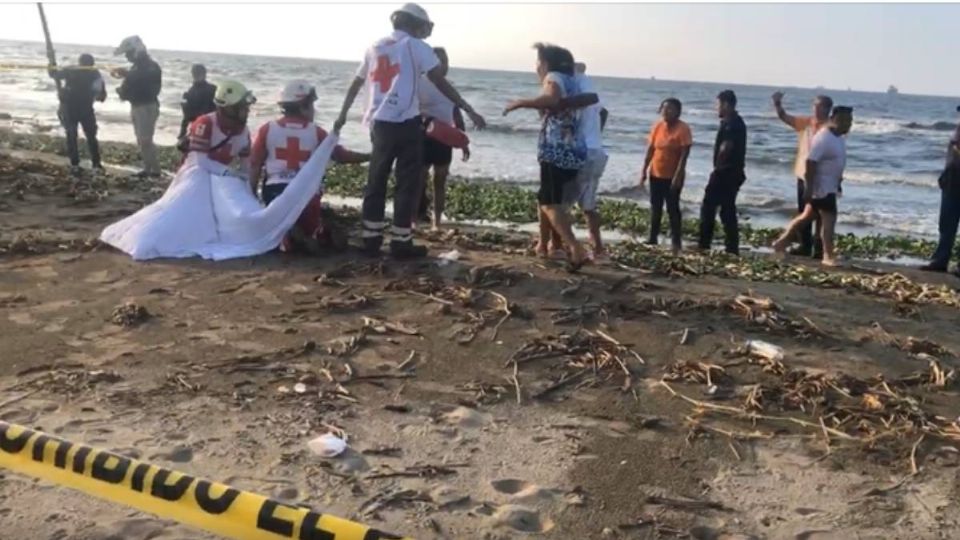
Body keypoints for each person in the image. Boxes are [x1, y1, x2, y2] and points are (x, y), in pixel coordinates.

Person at [100, 80, 340, 261]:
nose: (246, 112)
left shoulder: (243, 131)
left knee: (238, 212)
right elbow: (201, 161)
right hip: (197, 176)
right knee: (176, 219)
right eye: (242, 108)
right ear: (229, 108)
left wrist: (247, 189)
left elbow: (246, 163)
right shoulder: (205, 123)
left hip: (221, 178)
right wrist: (228, 175)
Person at [333, 3, 486, 259]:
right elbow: (439, 80)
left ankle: (371, 237)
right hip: (406, 123)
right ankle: (401, 240)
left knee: (376, 179)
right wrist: (468, 108)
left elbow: (356, 83)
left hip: (379, 124)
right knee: (407, 182)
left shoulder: (375, 47)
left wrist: (342, 115)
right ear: (415, 25)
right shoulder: (416, 47)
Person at [250, 80, 371, 253]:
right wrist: (371, 156)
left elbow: (254, 164)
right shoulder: (316, 132)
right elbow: (341, 156)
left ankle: (287, 237)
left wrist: (252, 195)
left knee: (275, 227)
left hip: (275, 193)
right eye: (312, 105)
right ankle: (316, 233)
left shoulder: (267, 130)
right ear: (303, 106)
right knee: (311, 226)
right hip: (307, 196)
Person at [503, 43, 589, 270]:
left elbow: (551, 98)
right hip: (574, 150)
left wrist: (521, 103)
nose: (536, 67)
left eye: (538, 61)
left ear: (547, 64)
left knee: (550, 203)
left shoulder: (553, 77)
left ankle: (575, 248)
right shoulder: (573, 80)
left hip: (556, 151)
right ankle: (545, 245)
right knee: (548, 199)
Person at [773, 106, 853, 267]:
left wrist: (838, 183)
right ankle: (827, 255)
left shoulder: (838, 138)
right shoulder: (824, 138)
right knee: (829, 219)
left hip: (829, 186)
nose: (848, 124)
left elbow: (836, 163)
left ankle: (781, 242)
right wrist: (809, 188)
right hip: (821, 187)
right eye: (845, 120)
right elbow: (810, 161)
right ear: (834, 119)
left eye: (850, 121)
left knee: (806, 217)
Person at [414, 47, 470, 230]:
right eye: (439, 62)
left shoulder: (449, 86)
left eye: (446, 61)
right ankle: (412, 220)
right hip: (423, 135)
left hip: (444, 137)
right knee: (419, 179)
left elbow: (456, 114)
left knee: (440, 180)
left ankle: (436, 222)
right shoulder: (419, 83)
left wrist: (463, 142)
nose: (444, 65)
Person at [772, 91, 834, 259]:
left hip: (823, 177)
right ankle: (804, 245)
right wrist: (777, 104)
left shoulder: (831, 128)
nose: (816, 109)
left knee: (821, 214)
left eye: (820, 106)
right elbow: (785, 117)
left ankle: (819, 247)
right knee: (803, 211)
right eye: (815, 106)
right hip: (803, 173)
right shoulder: (806, 123)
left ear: (828, 109)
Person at [698, 89, 747, 255]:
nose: (716, 108)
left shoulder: (733, 125)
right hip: (731, 172)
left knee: (709, 208)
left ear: (726, 104)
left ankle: (705, 244)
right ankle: (731, 248)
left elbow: (727, 147)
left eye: (718, 104)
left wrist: (718, 169)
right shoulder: (730, 122)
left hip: (726, 172)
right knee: (727, 210)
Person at [640, 98, 692, 254]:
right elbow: (651, 149)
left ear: (678, 111)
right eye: (664, 108)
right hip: (656, 173)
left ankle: (676, 242)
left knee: (672, 209)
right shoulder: (657, 126)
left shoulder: (683, 128)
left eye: (671, 109)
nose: (666, 111)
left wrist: (678, 175)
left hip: (673, 176)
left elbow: (685, 155)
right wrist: (644, 170)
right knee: (655, 207)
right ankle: (652, 238)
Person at [568, 62, 609, 258]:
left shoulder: (573, 90)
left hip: (581, 152)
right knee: (588, 205)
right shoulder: (588, 87)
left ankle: (563, 245)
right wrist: (596, 135)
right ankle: (598, 247)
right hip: (596, 151)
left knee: (561, 202)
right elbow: (604, 112)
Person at [48, 53, 107, 175]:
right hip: (81, 108)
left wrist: (51, 67)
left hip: (72, 107)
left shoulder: (73, 70)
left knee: (73, 136)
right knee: (89, 136)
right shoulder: (94, 73)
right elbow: (101, 95)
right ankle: (95, 164)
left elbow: (54, 75)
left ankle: (77, 164)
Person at [112, 36, 163, 178]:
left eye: (128, 54)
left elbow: (143, 82)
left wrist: (126, 77)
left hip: (146, 106)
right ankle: (149, 168)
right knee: (142, 139)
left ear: (136, 51)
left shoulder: (149, 67)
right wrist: (125, 81)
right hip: (138, 106)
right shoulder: (139, 67)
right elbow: (134, 82)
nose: (127, 57)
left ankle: (155, 170)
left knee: (145, 139)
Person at [920, 106, 960, 275]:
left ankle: (946, 261)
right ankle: (940, 260)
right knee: (946, 223)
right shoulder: (958, 130)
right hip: (951, 180)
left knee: (948, 222)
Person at [179, 64, 217, 142]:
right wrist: (183, 132)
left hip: (210, 124)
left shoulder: (213, 89)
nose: (196, 76)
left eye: (198, 73)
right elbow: (186, 116)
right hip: (198, 125)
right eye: (195, 74)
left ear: (204, 74)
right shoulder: (190, 92)